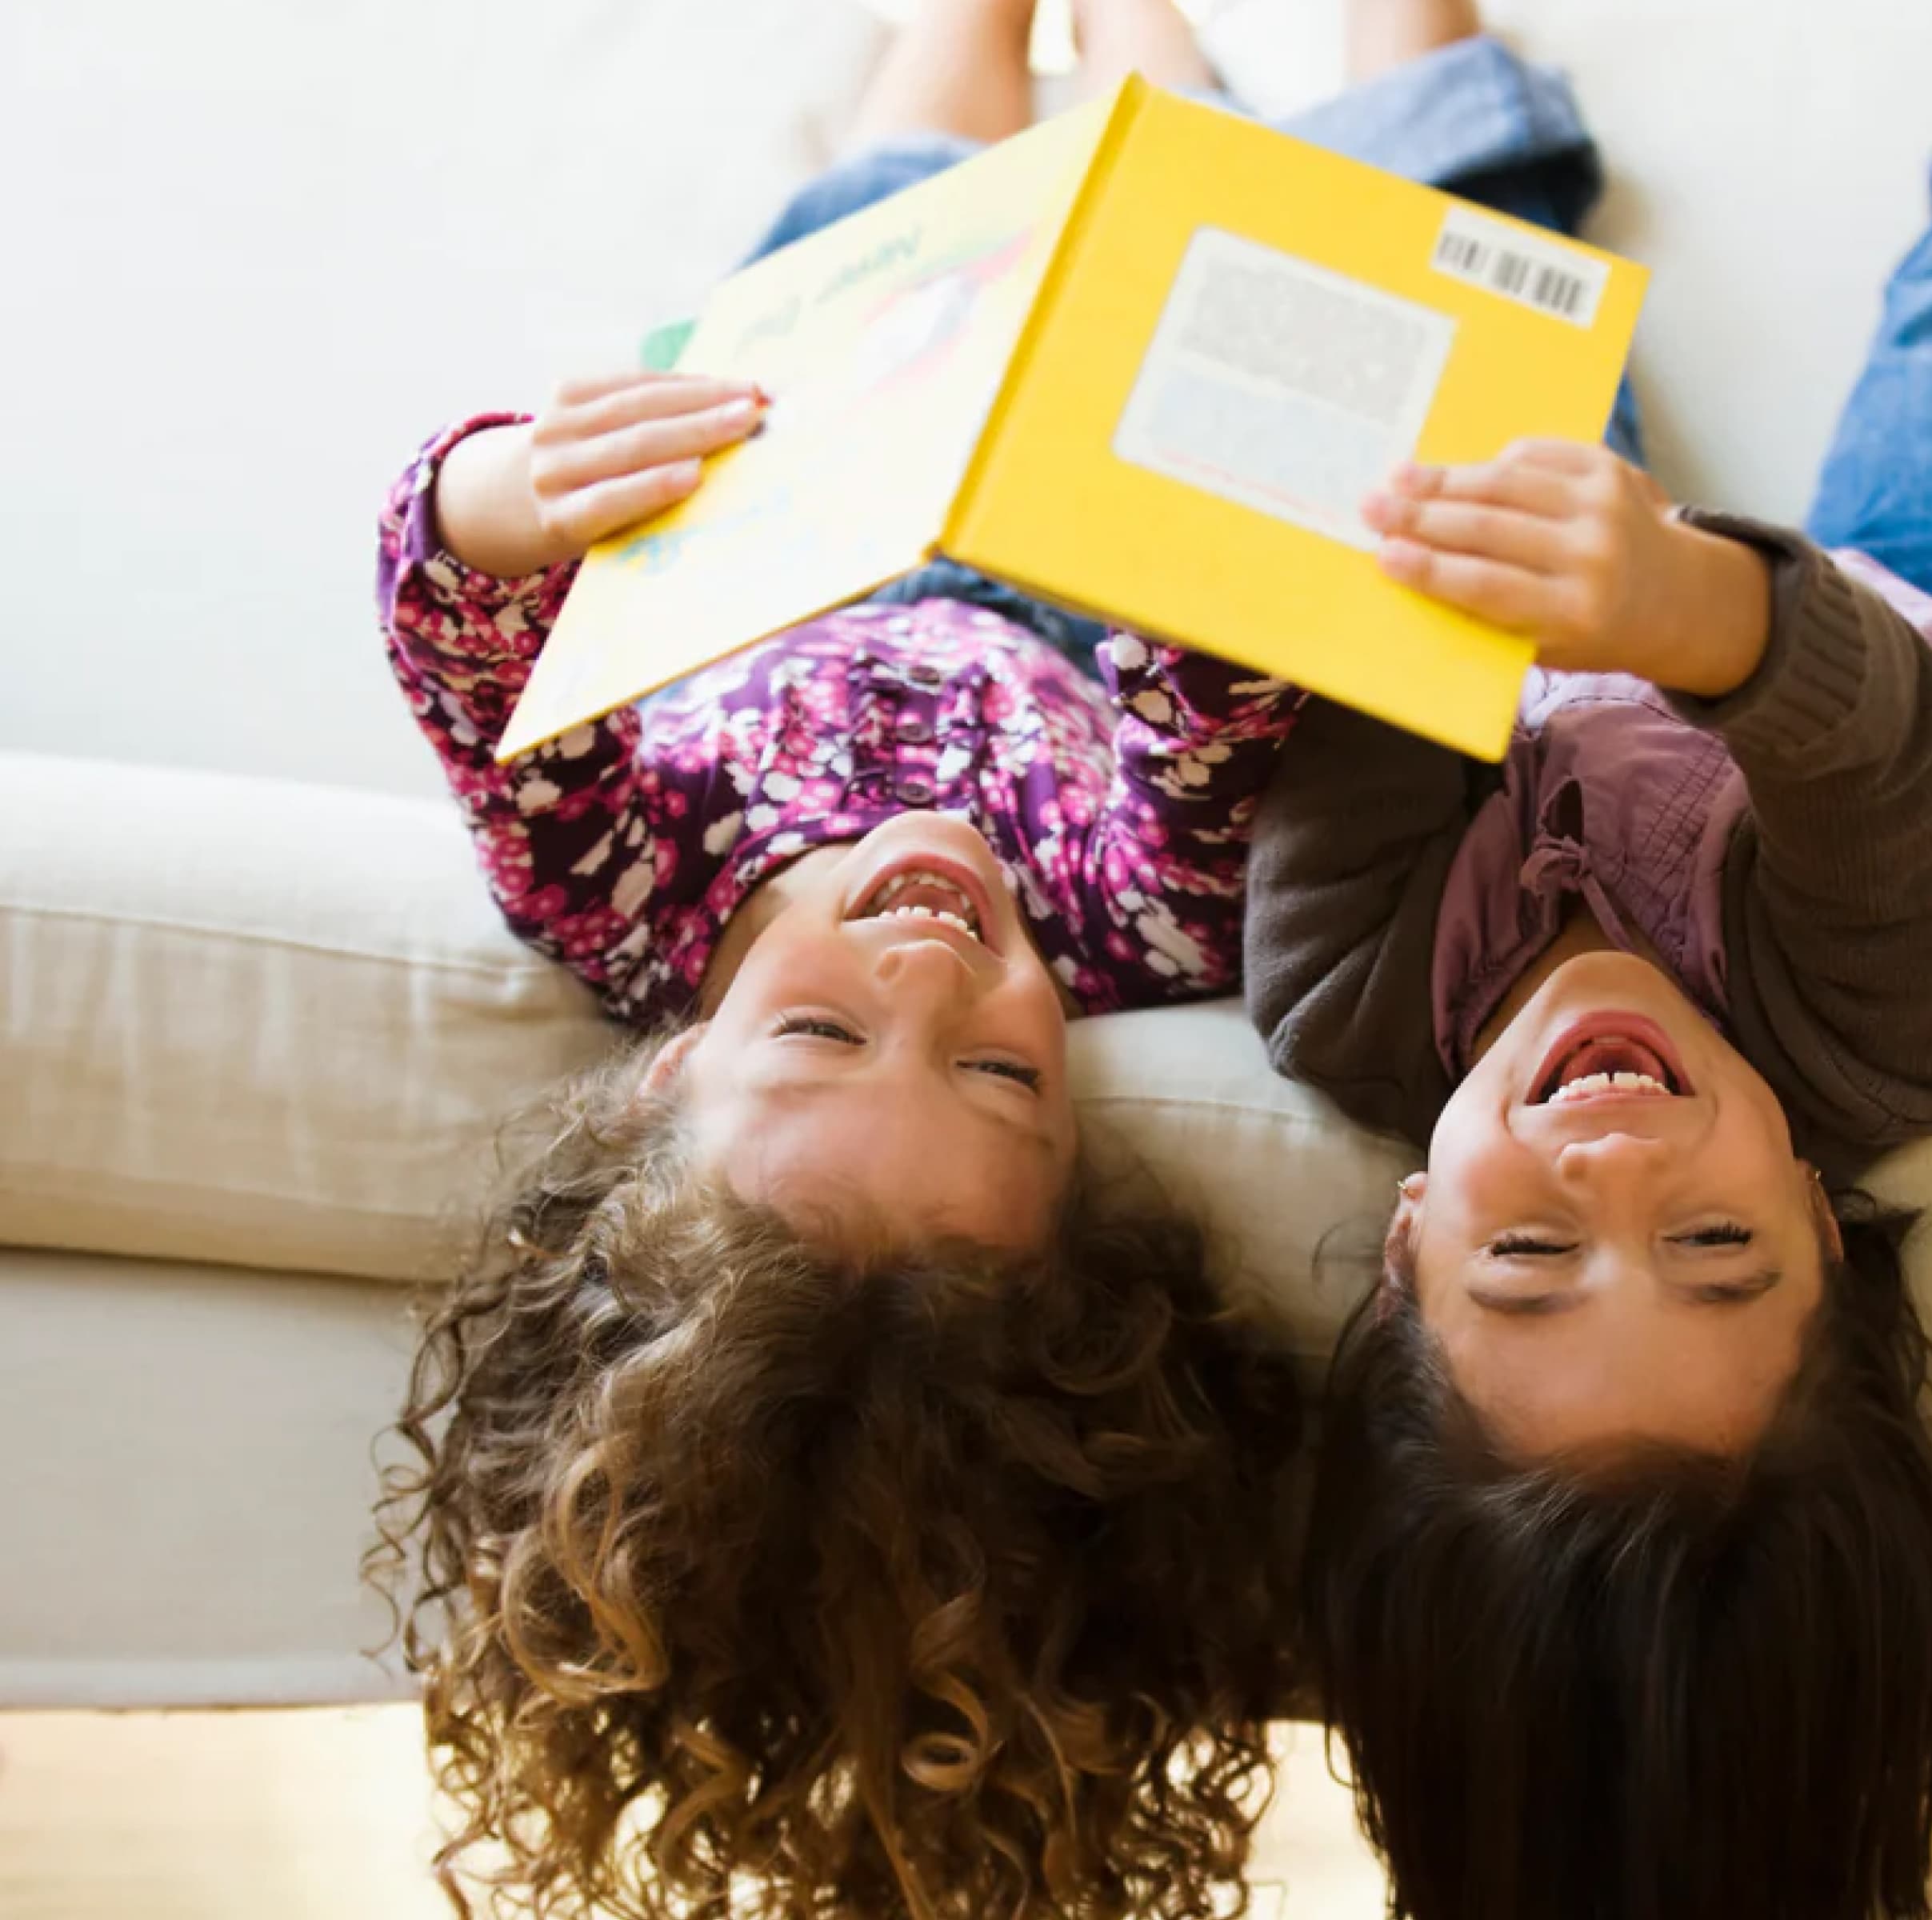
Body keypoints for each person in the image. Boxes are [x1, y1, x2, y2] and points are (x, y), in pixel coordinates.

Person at [364, 2, 1628, 1915]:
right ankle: (1163, 47)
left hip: (820, 481)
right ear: (1075, 1140)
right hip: (1079, 550)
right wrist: (1215, 472)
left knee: (888, 186)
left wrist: (501, 501)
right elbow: (1208, 700)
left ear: (665, 1075)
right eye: (997, 1072)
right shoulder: (1131, 919)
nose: (928, 970)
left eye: (819, 1032)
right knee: (1221, 207)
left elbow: (467, 650)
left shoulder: (621, 892)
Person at [1243, 5, 1932, 1917]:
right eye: (1713, 1248)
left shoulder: (1348, 1001)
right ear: (1825, 1235)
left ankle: (1425, 81)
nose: (1613, 1170)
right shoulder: (1872, 1043)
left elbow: (1375, 679)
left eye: (1528, 1259)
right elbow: (1866, 756)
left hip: (1558, 620)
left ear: (1405, 1243)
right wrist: (1685, 600)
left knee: (1460, 314)